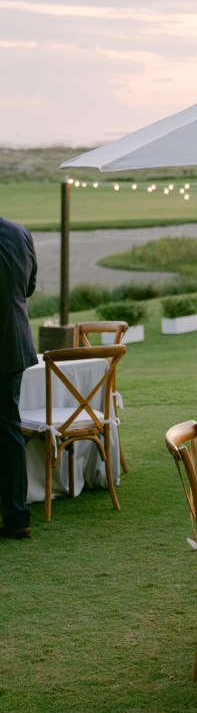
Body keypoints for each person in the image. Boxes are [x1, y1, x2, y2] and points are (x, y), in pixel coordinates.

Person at [0, 215, 38, 539]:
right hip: (13, 343)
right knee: (9, 430)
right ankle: (17, 516)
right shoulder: (19, 232)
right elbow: (29, 287)